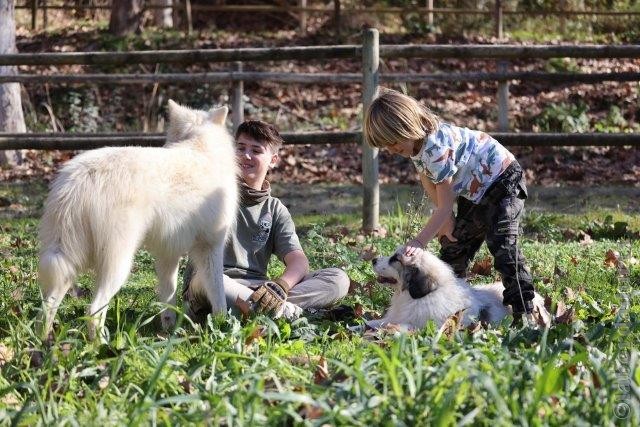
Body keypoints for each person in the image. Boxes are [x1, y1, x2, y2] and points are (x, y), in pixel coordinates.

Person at [363, 88, 537, 321]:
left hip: (503, 180)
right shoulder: (417, 146)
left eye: (393, 142)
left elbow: (445, 204)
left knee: (503, 246)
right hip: (474, 190)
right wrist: (447, 222)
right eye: (386, 147)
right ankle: (452, 308)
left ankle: (524, 312)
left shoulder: (436, 149)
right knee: (454, 245)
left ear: (407, 127)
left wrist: (419, 241)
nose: (392, 150)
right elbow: (429, 182)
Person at [183, 120, 350, 322]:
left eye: (256, 150)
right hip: (211, 285)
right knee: (209, 277)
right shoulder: (210, 193)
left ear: (273, 160)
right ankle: (297, 314)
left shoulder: (275, 209)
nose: (246, 155)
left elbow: (298, 260)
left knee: (337, 279)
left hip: (259, 289)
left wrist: (280, 286)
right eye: (240, 148)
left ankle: (266, 310)